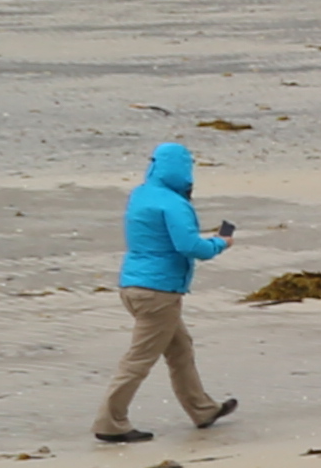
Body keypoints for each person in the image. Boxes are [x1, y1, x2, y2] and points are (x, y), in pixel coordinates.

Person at [98, 138, 240, 445]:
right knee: (139, 359)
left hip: (133, 285)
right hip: (158, 292)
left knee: (180, 349)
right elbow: (190, 247)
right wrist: (220, 242)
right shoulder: (174, 203)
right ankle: (110, 422)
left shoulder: (141, 195)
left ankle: (203, 409)